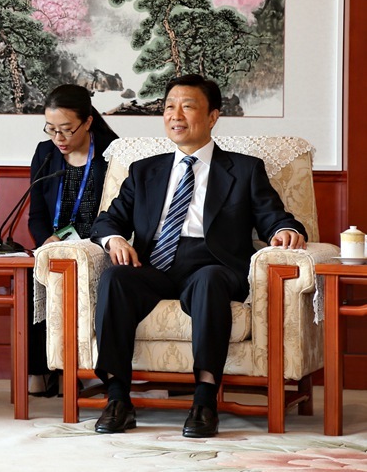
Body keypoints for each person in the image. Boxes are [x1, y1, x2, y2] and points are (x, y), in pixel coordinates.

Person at [89, 74, 307, 438]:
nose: (175, 115)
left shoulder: (243, 169)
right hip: (154, 265)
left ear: (212, 116)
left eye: (187, 106)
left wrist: (284, 230)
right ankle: (117, 399)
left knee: (208, 281)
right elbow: (108, 220)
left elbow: (273, 216)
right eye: (169, 107)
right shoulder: (144, 170)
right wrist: (114, 240)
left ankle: (204, 401)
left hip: (213, 264)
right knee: (115, 277)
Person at [26, 84, 119, 397]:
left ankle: (85, 369)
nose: (58, 138)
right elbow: (36, 215)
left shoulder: (112, 152)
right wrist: (47, 240)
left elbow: (119, 212)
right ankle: (41, 369)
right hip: (57, 245)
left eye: (66, 129)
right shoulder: (44, 154)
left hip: (98, 247)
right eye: (51, 129)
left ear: (88, 121)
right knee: (31, 276)